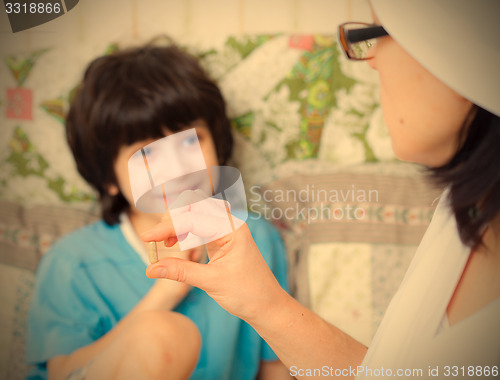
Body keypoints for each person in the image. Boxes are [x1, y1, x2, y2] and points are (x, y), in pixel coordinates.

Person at [144, 1, 500, 378]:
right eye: (150, 152)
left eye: (375, 34)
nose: (371, 60)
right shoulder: (464, 210)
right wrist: (266, 305)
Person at [26, 42, 291, 380]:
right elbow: (63, 372)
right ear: (109, 177)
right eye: (146, 154)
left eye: (189, 141)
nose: (178, 168)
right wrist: (168, 290)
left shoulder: (255, 239)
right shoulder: (73, 261)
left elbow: (275, 365)